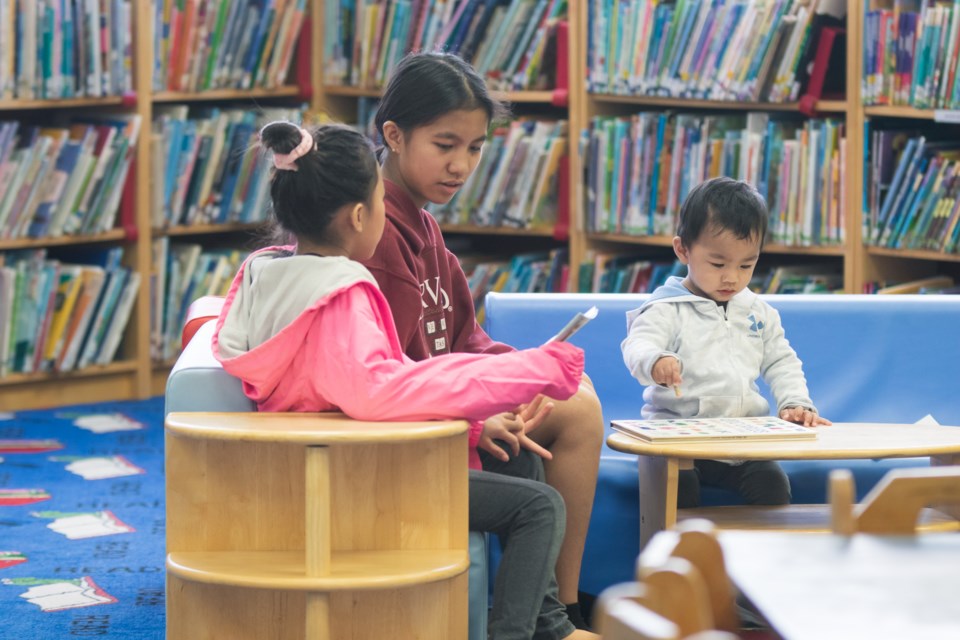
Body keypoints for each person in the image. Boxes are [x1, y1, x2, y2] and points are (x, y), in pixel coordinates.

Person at [212, 121, 598, 639]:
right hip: (362, 478)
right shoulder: (339, 299)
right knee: (540, 507)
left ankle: (549, 626)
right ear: (357, 217)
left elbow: (382, 380)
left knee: (520, 456)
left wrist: (486, 408)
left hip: (326, 464)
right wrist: (532, 372)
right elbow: (383, 391)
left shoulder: (272, 276)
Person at [362, 51, 604, 628]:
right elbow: (386, 386)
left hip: (446, 415)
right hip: (415, 440)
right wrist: (480, 417)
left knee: (570, 389)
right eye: (444, 145)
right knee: (579, 412)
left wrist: (524, 365)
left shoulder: (422, 224)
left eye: (474, 148)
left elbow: (465, 339)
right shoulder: (377, 238)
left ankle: (554, 611)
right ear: (394, 135)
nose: (461, 165)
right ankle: (559, 611)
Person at [620, 177, 831, 508]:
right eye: (718, 264)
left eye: (747, 264)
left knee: (773, 487)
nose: (732, 277)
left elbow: (781, 361)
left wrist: (795, 403)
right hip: (676, 442)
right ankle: (682, 557)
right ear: (683, 249)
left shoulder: (758, 311)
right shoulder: (665, 308)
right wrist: (655, 360)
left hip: (741, 441)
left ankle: (760, 559)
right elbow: (638, 345)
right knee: (679, 491)